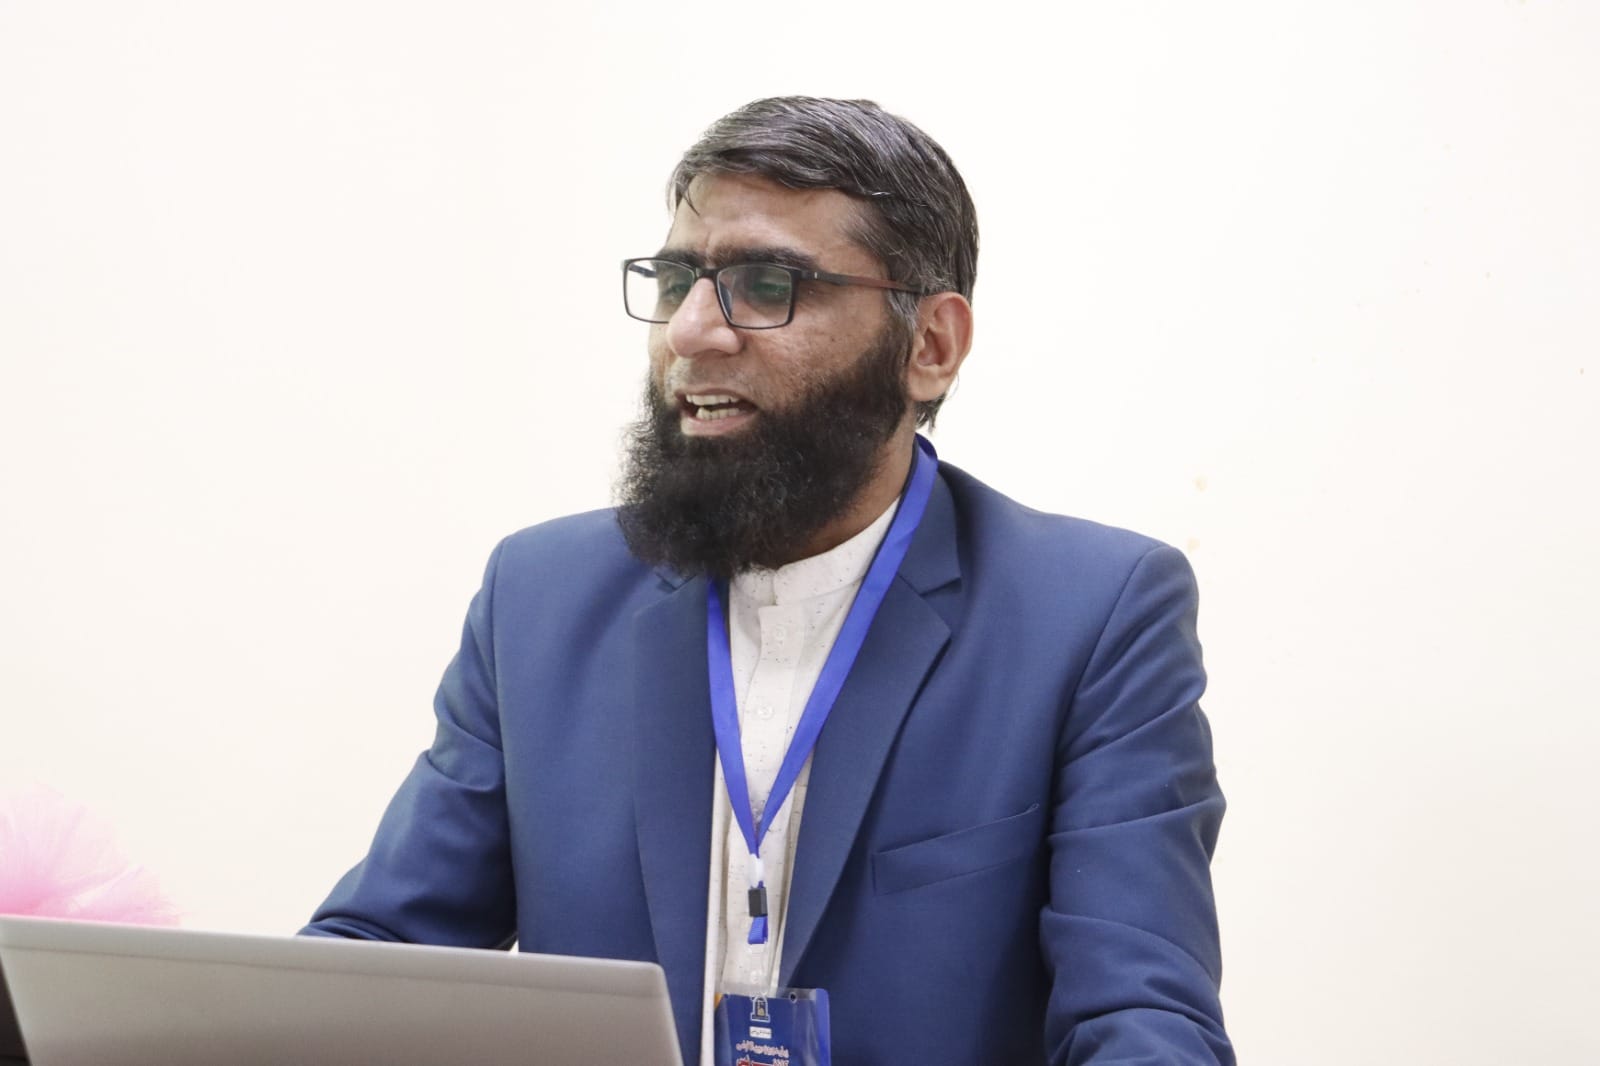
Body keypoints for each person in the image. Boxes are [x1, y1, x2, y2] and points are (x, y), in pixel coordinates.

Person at [303, 96, 1234, 1066]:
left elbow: (1142, 1017)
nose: (691, 332)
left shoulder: (1093, 616)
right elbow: (379, 959)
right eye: (677, 281)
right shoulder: (538, 600)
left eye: (766, 284)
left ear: (930, 345)